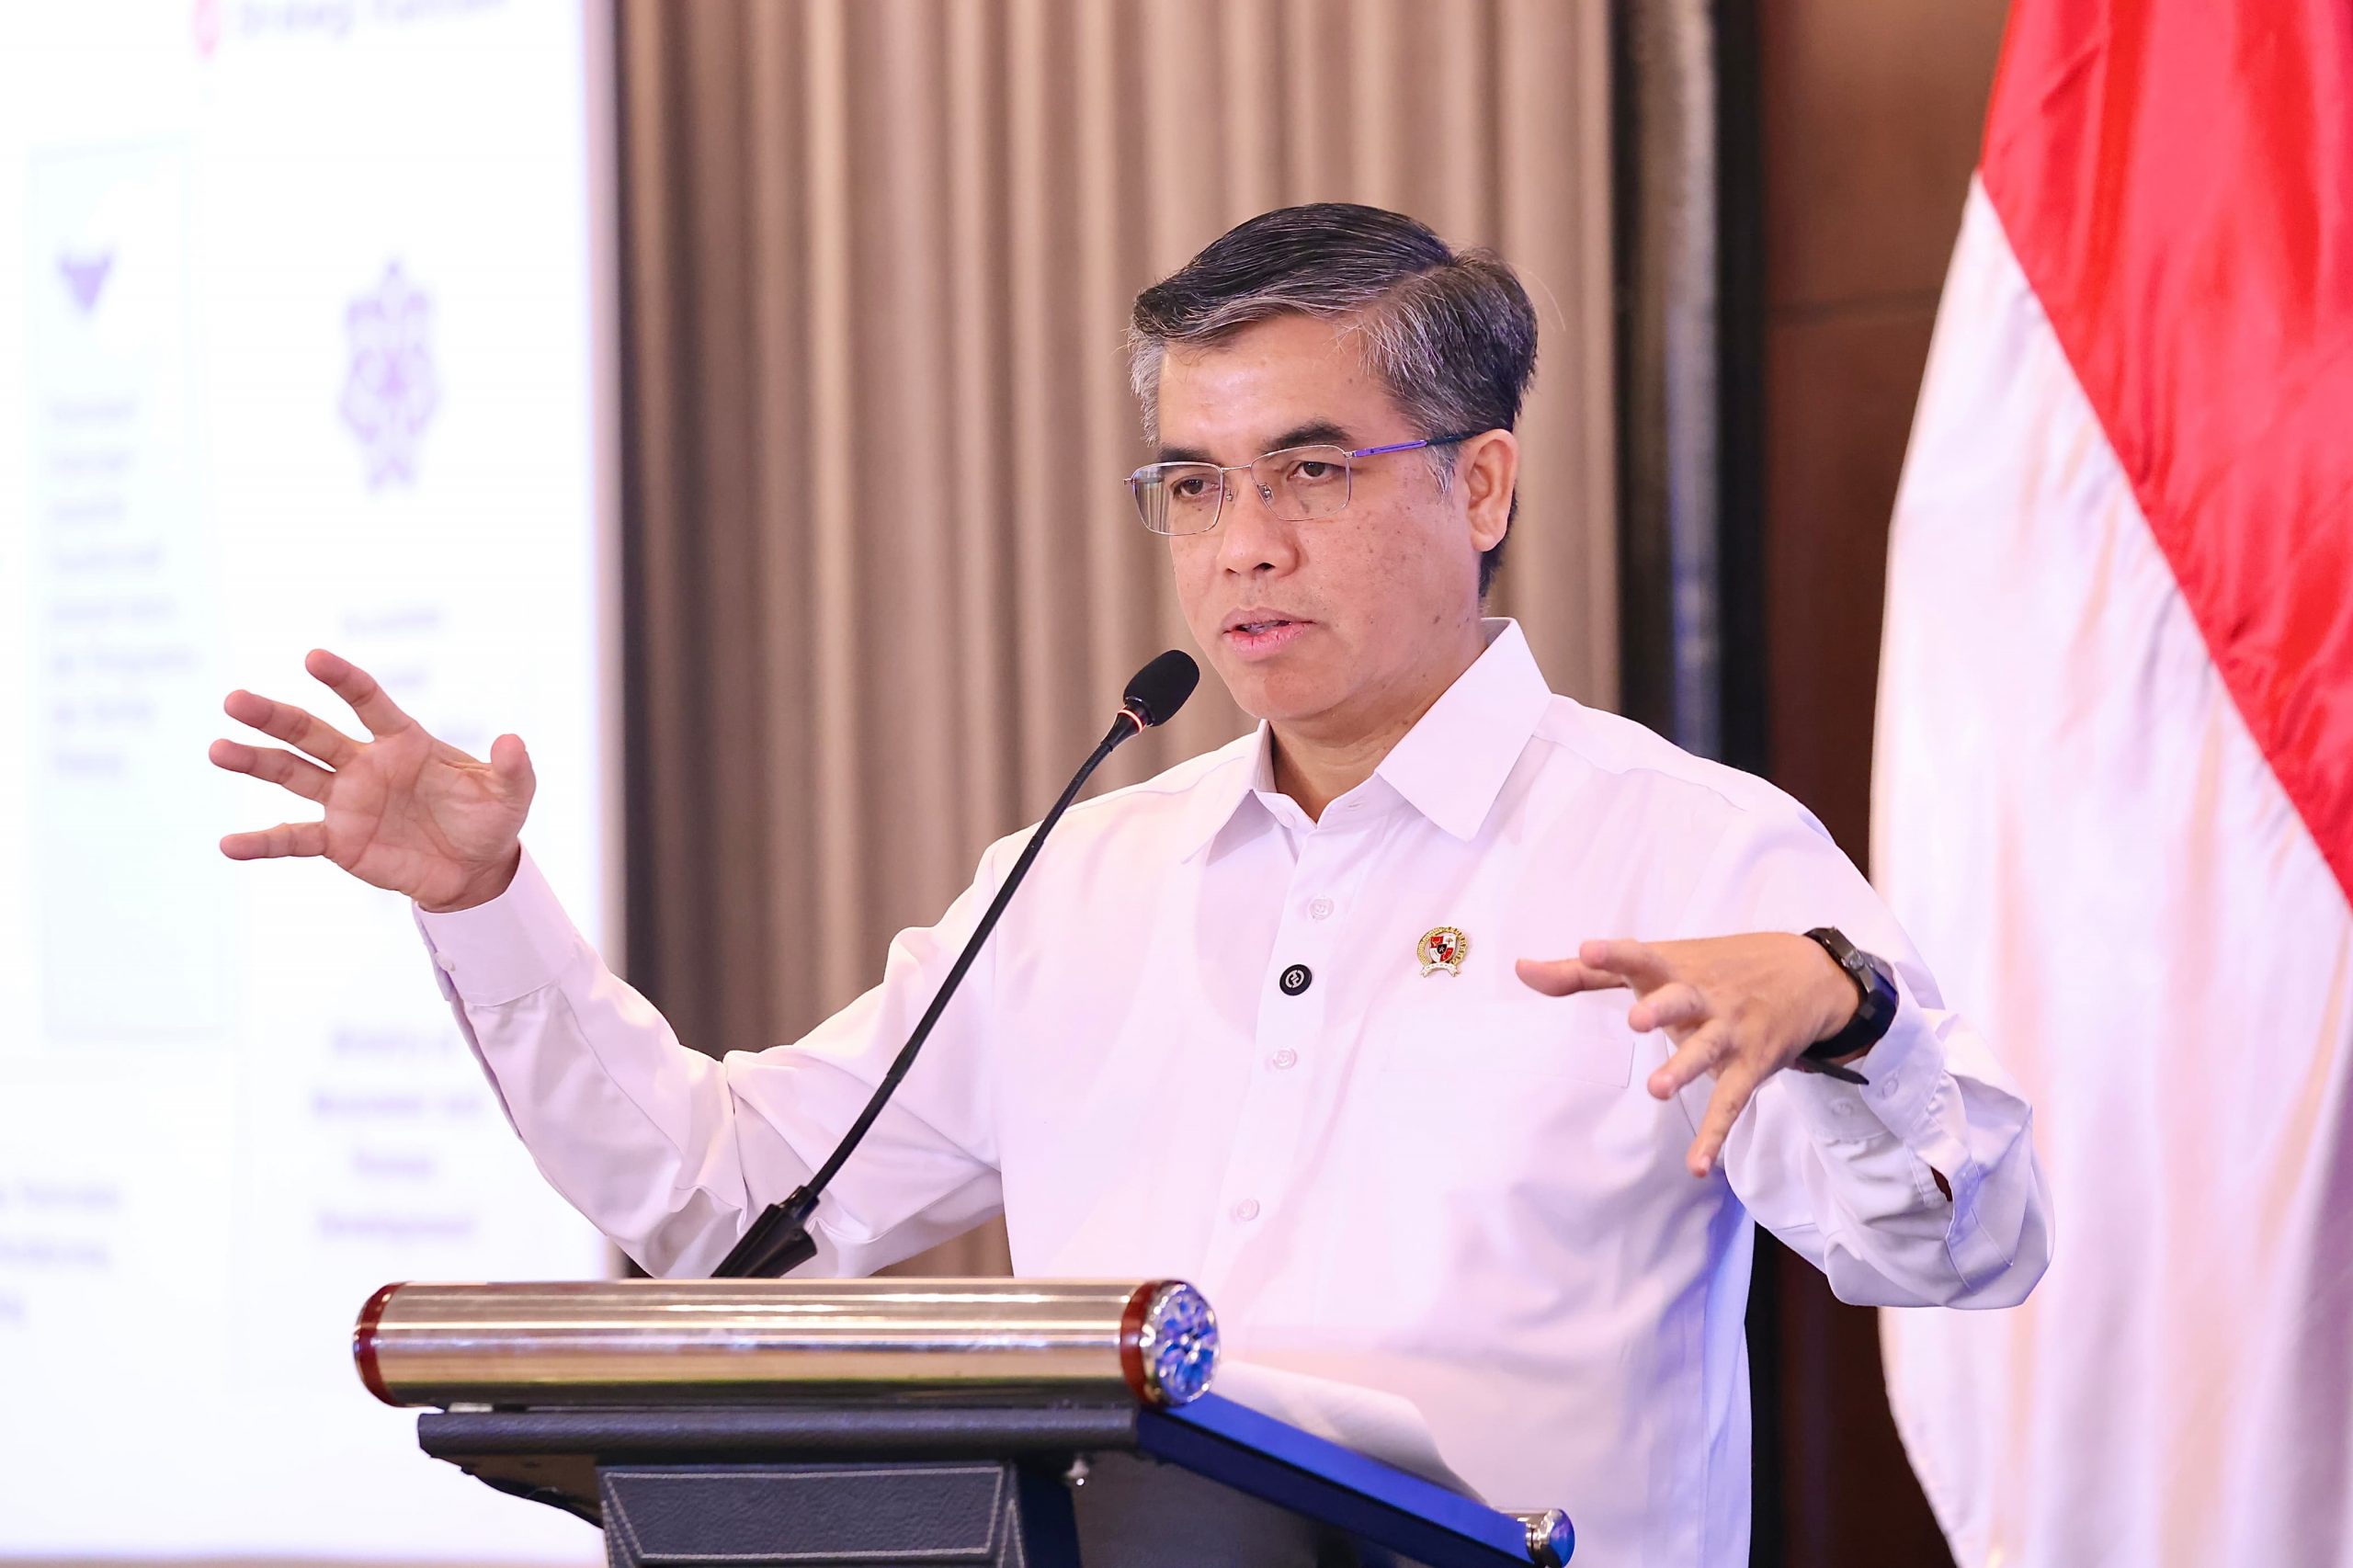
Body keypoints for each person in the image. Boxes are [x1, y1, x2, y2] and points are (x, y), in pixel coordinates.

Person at [210, 204, 2050, 1567]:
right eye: (1192, 484)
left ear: (1482, 485)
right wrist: (483, 904)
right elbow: (728, 1206)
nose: (1243, 544)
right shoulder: (1082, 878)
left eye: (1309, 469)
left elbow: (1956, 1251)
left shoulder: (1687, 845)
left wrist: (1850, 1011)